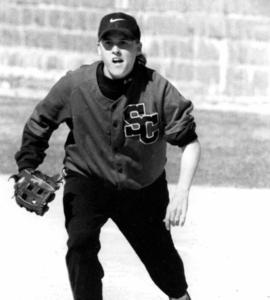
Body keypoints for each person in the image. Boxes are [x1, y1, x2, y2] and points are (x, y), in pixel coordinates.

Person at [14, 11, 201, 300]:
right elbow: (41, 122)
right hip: (88, 179)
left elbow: (189, 142)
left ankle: (179, 295)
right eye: (108, 42)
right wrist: (27, 165)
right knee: (81, 244)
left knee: (163, 263)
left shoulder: (158, 89)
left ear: (138, 48)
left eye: (124, 42)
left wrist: (182, 192)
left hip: (143, 188)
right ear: (98, 48)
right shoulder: (75, 85)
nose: (116, 49)